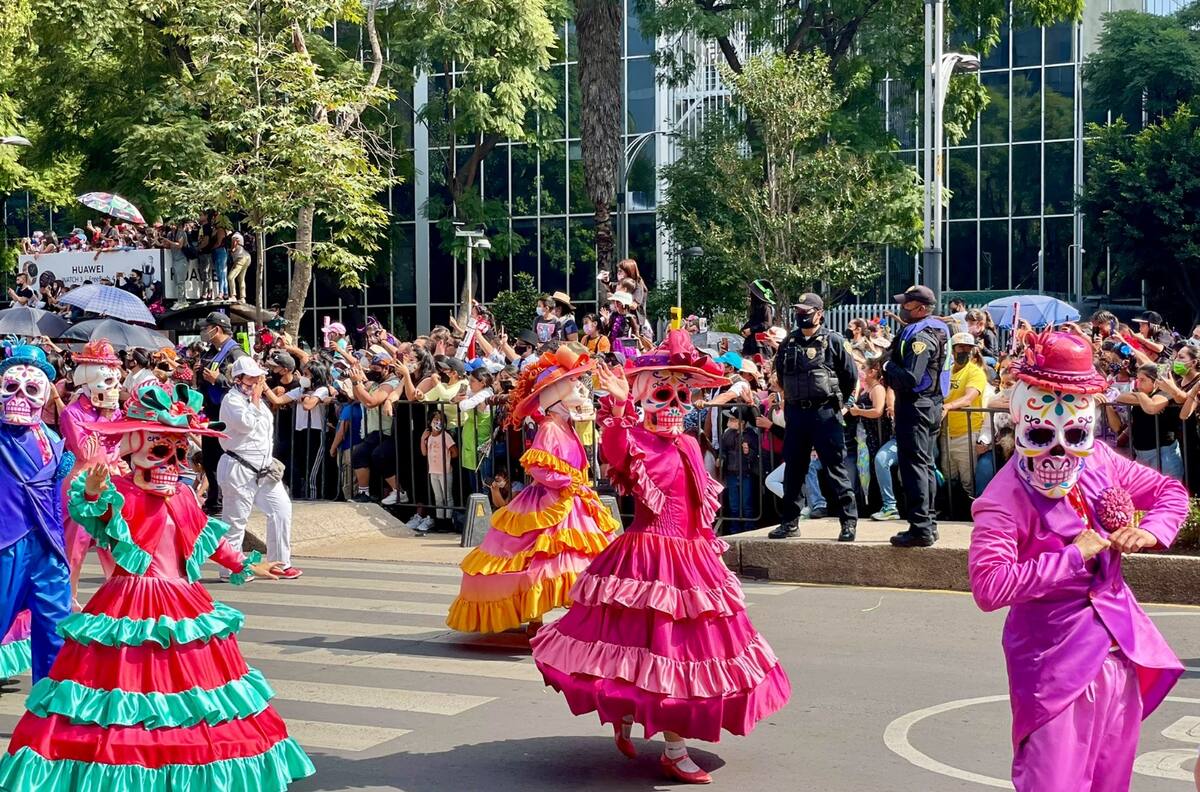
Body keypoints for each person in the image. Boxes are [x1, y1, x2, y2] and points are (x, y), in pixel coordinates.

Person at [0, 380, 314, 791]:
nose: (172, 460)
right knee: (122, 698)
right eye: (161, 448)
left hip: (183, 602)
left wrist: (251, 564)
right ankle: (123, 770)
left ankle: (188, 771)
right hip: (131, 600)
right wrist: (93, 488)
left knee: (192, 703)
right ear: (135, 447)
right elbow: (93, 510)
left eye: (180, 451)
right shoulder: (123, 493)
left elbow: (207, 536)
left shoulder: (183, 496)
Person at [530, 331, 790, 785]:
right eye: (663, 392)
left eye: (682, 393)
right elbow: (615, 450)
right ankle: (670, 747)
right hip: (647, 556)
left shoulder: (689, 444)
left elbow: (697, 503)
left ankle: (655, 733)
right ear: (646, 397)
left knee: (683, 656)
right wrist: (618, 408)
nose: (674, 402)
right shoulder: (632, 439)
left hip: (691, 559)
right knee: (647, 652)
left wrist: (707, 547)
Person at [969, 329, 1186, 792]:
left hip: (1119, 654)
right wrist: (1071, 557)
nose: (1060, 450)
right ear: (1021, 422)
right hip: (1054, 666)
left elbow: (1170, 491)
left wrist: (1148, 530)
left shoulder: (1100, 461)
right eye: (1043, 434)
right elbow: (989, 587)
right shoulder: (1002, 499)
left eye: (1074, 434)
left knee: (1111, 783)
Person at [446, 344, 620, 635]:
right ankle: (538, 615)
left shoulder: (563, 424)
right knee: (540, 558)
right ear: (556, 395)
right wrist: (567, 481)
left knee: (573, 557)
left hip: (570, 500)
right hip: (550, 502)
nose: (581, 387)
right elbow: (538, 467)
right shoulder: (550, 427)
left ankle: (578, 614)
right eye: (573, 383)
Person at [0, 346, 74, 683]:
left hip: (48, 552)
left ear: (45, 395)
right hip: (6, 546)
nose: (19, 397)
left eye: (31, 389)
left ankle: (49, 722)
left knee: (55, 639)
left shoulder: (54, 442)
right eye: (10, 387)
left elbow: (59, 503)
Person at [768, 293, 859, 542]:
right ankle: (789, 522)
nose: (801, 315)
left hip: (824, 413)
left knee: (835, 468)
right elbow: (781, 375)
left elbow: (850, 376)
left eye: (806, 311)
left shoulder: (834, 341)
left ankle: (848, 522)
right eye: (799, 310)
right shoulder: (789, 342)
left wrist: (839, 402)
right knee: (794, 469)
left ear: (819, 313)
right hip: (797, 413)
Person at [217, 356, 303, 580]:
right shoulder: (232, 400)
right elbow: (245, 425)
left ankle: (279, 562)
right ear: (239, 379)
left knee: (281, 510)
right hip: (239, 465)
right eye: (251, 377)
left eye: (258, 377)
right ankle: (230, 567)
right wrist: (256, 398)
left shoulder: (257, 401)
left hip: (264, 468)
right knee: (235, 521)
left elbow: (264, 430)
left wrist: (258, 398)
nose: (257, 381)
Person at [58, 340, 124, 604]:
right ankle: (67, 596)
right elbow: (85, 451)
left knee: (115, 543)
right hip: (81, 485)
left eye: (116, 382)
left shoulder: (115, 412)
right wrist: (105, 421)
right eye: (109, 382)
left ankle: (120, 595)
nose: (115, 389)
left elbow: (118, 448)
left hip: (111, 479)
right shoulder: (72, 413)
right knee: (76, 545)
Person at [884, 285, 949, 548]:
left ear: (921, 308)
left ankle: (921, 526)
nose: (903, 308)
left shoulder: (922, 337)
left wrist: (889, 367)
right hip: (929, 405)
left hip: (917, 406)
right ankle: (928, 523)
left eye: (908, 305)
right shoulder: (936, 328)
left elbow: (910, 377)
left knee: (915, 467)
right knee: (923, 465)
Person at [198, 311, 247, 512]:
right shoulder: (211, 352)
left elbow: (245, 385)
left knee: (224, 458)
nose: (204, 332)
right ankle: (214, 501)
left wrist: (217, 379)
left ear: (216, 329)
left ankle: (225, 501)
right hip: (211, 412)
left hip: (227, 414)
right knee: (209, 459)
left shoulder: (236, 354)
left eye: (206, 328)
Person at [1116, 363, 1185, 481]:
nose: (1138, 383)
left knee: (1168, 491)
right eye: (1137, 379)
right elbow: (1120, 398)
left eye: (1143, 380)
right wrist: (1142, 396)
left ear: (1156, 382)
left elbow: (1151, 408)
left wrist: (1141, 397)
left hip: (1163, 454)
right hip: (1141, 453)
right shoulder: (1141, 394)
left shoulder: (1165, 393)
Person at [943, 332, 988, 506]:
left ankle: (969, 514)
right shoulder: (946, 372)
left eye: (969, 348)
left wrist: (947, 406)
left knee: (968, 480)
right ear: (953, 350)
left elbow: (969, 398)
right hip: (946, 433)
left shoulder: (976, 373)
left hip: (967, 433)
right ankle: (951, 512)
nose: (965, 351)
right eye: (961, 347)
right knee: (949, 477)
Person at [720, 404, 759, 533]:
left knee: (747, 502)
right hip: (731, 472)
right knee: (733, 503)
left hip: (746, 473)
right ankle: (734, 528)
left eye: (732, 419)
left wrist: (748, 452)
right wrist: (721, 458)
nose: (729, 421)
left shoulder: (751, 434)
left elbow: (755, 454)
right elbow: (723, 450)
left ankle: (749, 526)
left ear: (741, 422)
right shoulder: (727, 434)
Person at [228, 232, 252, 303]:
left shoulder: (234, 236)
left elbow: (235, 243)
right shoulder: (241, 236)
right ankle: (242, 297)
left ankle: (233, 296)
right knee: (241, 278)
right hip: (247, 257)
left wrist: (232, 250)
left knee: (230, 277)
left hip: (240, 258)